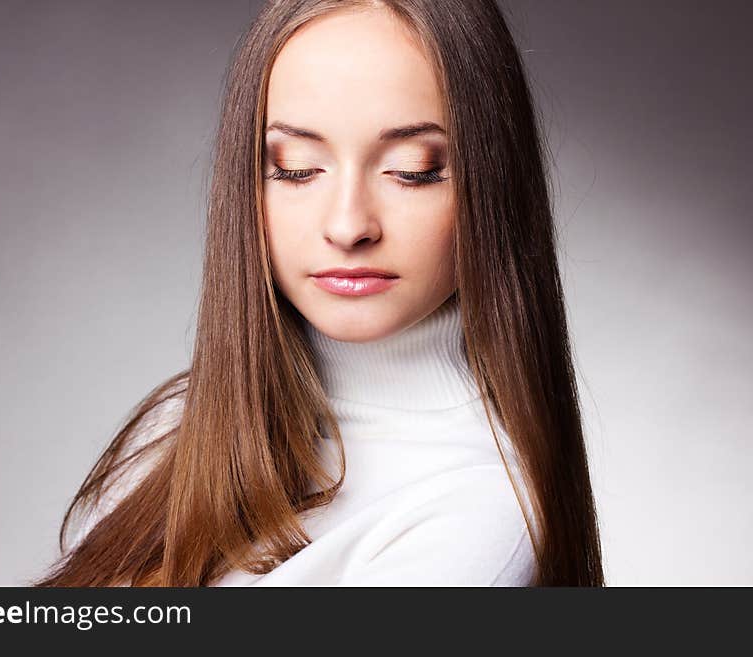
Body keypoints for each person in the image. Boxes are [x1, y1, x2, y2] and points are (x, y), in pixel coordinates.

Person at [32, 0, 605, 587]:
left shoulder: (477, 520)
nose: (348, 224)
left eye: (412, 169)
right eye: (298, 168)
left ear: (494, 183)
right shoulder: (178, 426)